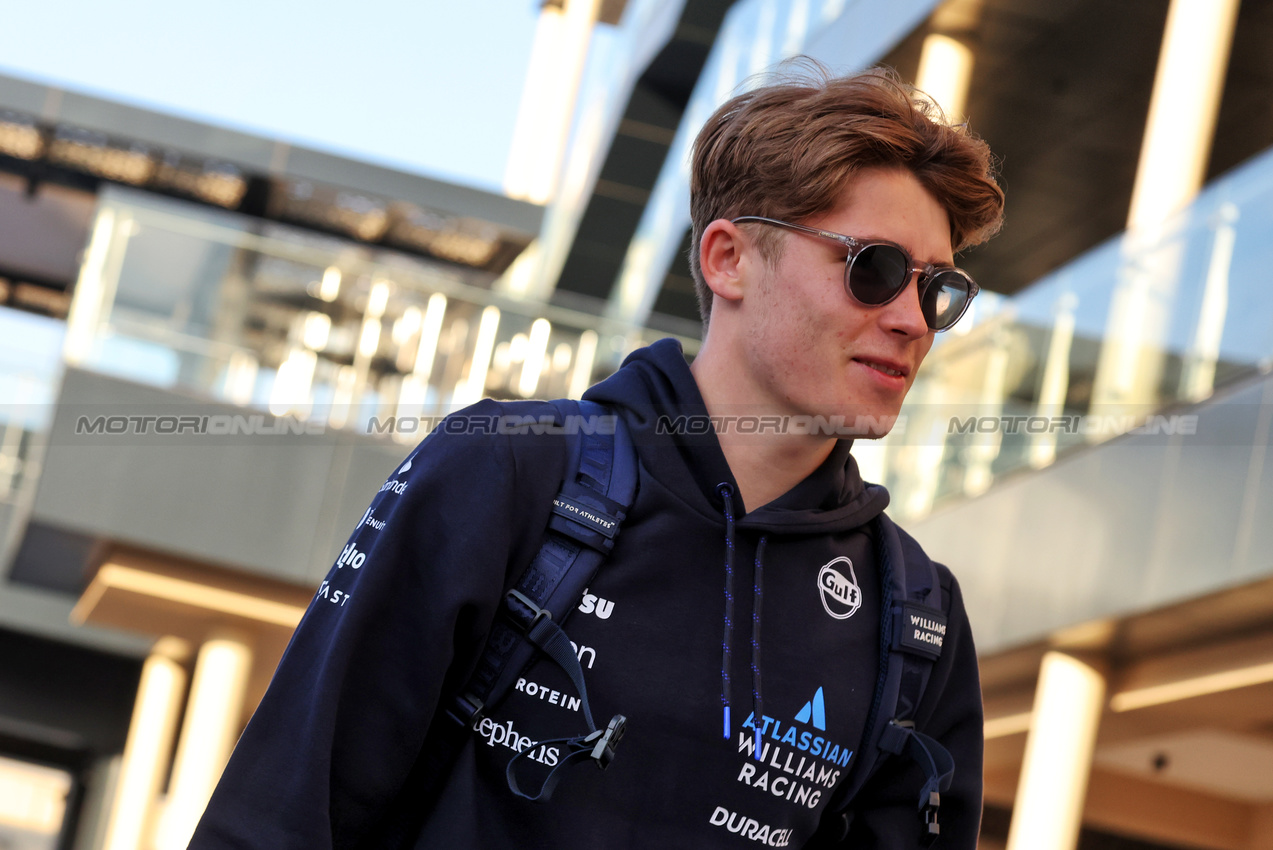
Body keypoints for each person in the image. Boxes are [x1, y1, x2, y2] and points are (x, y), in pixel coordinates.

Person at [189, 64, 1004, 849]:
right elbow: (280, 816)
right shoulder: (505, 472)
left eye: (937, 289)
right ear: (728, 259)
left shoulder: (916, 617)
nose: (911, 320)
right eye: (873, 269)